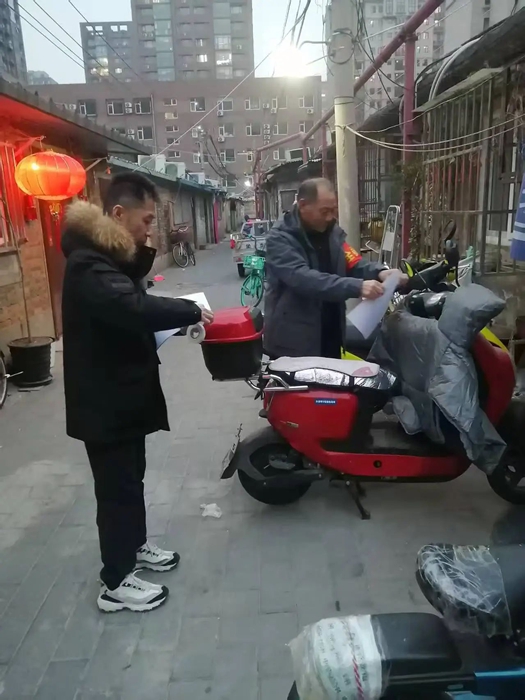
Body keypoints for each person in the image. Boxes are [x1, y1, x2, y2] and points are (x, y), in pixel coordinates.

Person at [61, 172, 214, 613]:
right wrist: (188, 309)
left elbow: (133, 286)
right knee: (116, 491)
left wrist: (135, 248)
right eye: (146, 221)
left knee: (133, 479)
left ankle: (135, 547)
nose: (150, 230)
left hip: (124, 396)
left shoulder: (107, 259)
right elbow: (131, 307)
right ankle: (115, 581)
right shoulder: (87, 264)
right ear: (117, 214)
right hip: (103, 403)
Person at [264, 178, 406, 359]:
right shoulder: (280, 238)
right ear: (303, 205)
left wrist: (380, 272)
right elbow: (303, 278)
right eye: (324, 211)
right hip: (294, 342)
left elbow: (352, 262)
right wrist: (357, 286)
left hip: (330, 333)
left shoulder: (331, 232)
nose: (330, 217)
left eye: (333, 210)